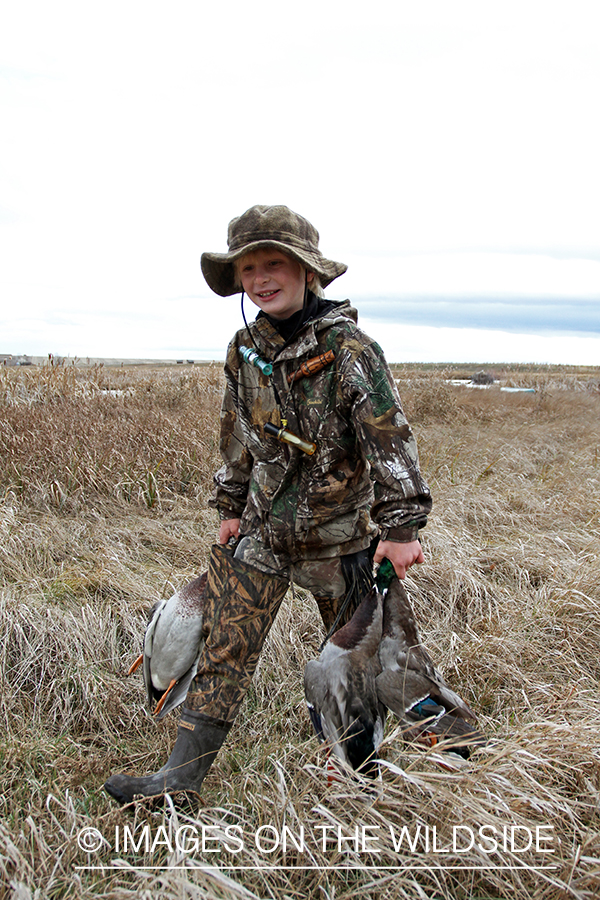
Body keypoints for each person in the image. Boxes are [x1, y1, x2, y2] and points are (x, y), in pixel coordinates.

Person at [104, 204, 432, 804]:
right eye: (248, 268)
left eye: (273, 263)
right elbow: (238, 435)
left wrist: (402, 525)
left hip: (340, 540)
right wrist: (230, 505)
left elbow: (388, 436)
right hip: (260, 533)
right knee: (225, 650)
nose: (259, 278)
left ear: (307, 271)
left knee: (351, 665)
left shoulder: (350, 349)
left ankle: (360, 781)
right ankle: (178, 781)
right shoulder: (243, 348)